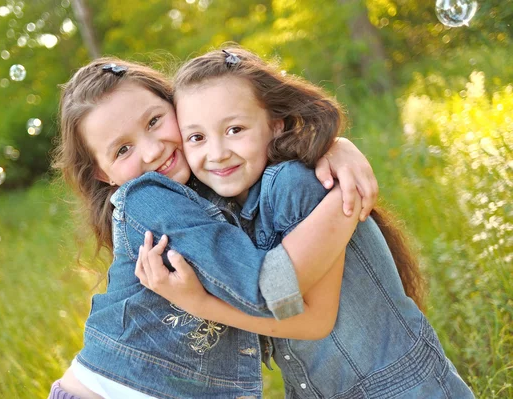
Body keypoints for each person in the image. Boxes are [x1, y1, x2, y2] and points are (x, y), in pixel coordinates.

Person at [137, 47, 475, 398]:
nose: (217, 152)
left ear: (275, 125)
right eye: (197, 137)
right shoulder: (218, 207)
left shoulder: (294, 185)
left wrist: (199, 303)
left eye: (235, 129)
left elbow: (315, 321)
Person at [49, 56, 377, 398]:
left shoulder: (212, 184)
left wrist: (338, 148)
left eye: (154, 121)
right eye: (123, 149)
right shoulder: (146, 198)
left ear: (177, 107)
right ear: (104, 175)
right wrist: (344, 196)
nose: (151, 150)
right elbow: (262, 291)